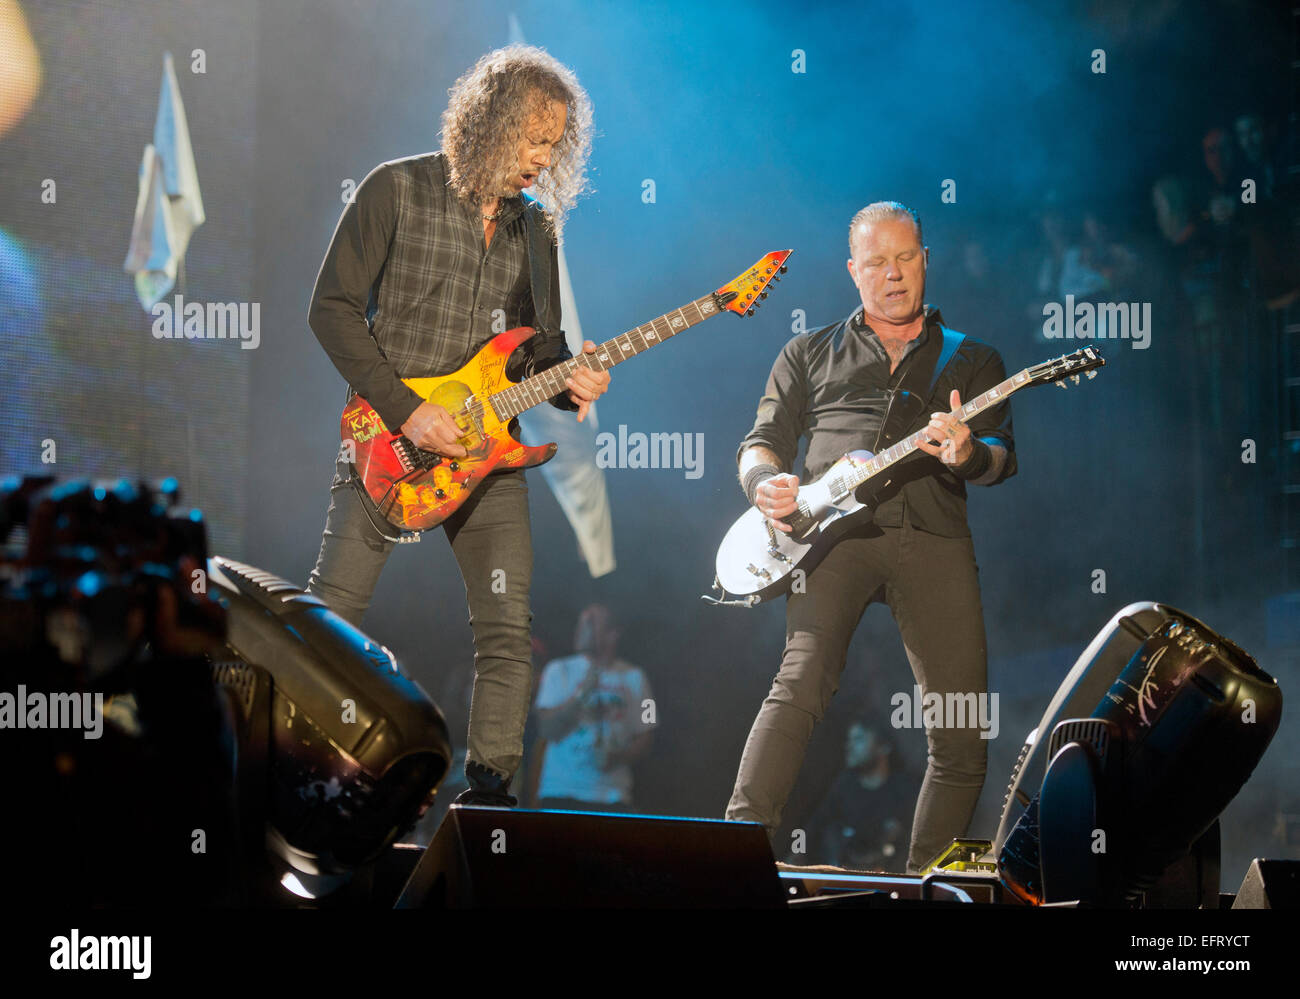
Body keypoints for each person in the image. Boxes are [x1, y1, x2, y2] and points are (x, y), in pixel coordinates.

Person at [304, 46, 609, 807]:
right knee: (332, 615)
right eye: (533, 139)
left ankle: (490, 801)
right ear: (489, 121)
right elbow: (331, 310)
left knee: (508, 629)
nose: (542, 158)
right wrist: (410, 410)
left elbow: (541, 351)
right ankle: (297, 769)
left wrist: (574, 384)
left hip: (488, 454)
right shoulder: (395, 189)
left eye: (554, 144)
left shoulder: (534, 229)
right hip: (388, 438)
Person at [724, 201, 1016, 872]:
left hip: (932, 536)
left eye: (905, 258)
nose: (893, 274)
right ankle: (735, 859)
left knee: (961, 727)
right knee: (799, 683)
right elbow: (760, 440)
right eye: (877, 262)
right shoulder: (808, 350)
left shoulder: (974, 358)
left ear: (925, 262)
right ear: (854, 271)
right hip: (830, 539)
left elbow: (1002, 457)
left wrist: (967, 454)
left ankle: (925, 884)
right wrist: (766, 481)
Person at [533, 604, 655, 811]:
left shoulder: (637, 677)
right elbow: (546, 729)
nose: (582, 629)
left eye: (590, 623)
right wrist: (581, 695)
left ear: (612, 634)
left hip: (613, 796)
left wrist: (619, 757)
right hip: (561, 793)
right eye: (581, 623)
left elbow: (648, 731)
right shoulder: (557, 670)